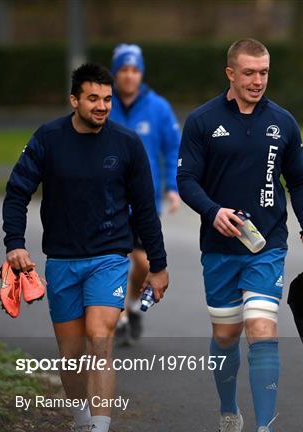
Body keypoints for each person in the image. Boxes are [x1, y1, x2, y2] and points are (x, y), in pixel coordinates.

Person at [2, 63, 169, 432]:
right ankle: (80, 425)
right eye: (93, 98)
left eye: (108, 99)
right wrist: (15, 246)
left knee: (100, 340)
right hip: (61, 261)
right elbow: (16, 193)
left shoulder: (127, 144)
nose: (102, 106)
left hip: (110, 257)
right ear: (74, 100)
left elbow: (146, 209)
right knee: (71, 355)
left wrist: (158, 266)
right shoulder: (48, 139)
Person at [177, 38, 303, 432]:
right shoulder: (202, 121)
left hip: (268, 247)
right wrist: (213, 212)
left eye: (264, 72)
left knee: (262, 328)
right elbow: (187, 180)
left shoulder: (283, 122)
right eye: (249, 72)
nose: (257, 81)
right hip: (218, 248)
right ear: (230, 73)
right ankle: (230, 416)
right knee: (226, 335)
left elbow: (299, 181)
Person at [109, 44, 181, 344]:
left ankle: (133, 307)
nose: (129, 76)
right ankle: (120, 317)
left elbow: (172, 148)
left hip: (143, 200)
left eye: (134, 70)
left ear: (141, 73)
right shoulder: (103, 103)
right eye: (123, 70)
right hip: (108, 198)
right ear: (115, 73)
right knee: (113, 261)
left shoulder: (158, 107)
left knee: (143, 263)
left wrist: (173, 188)